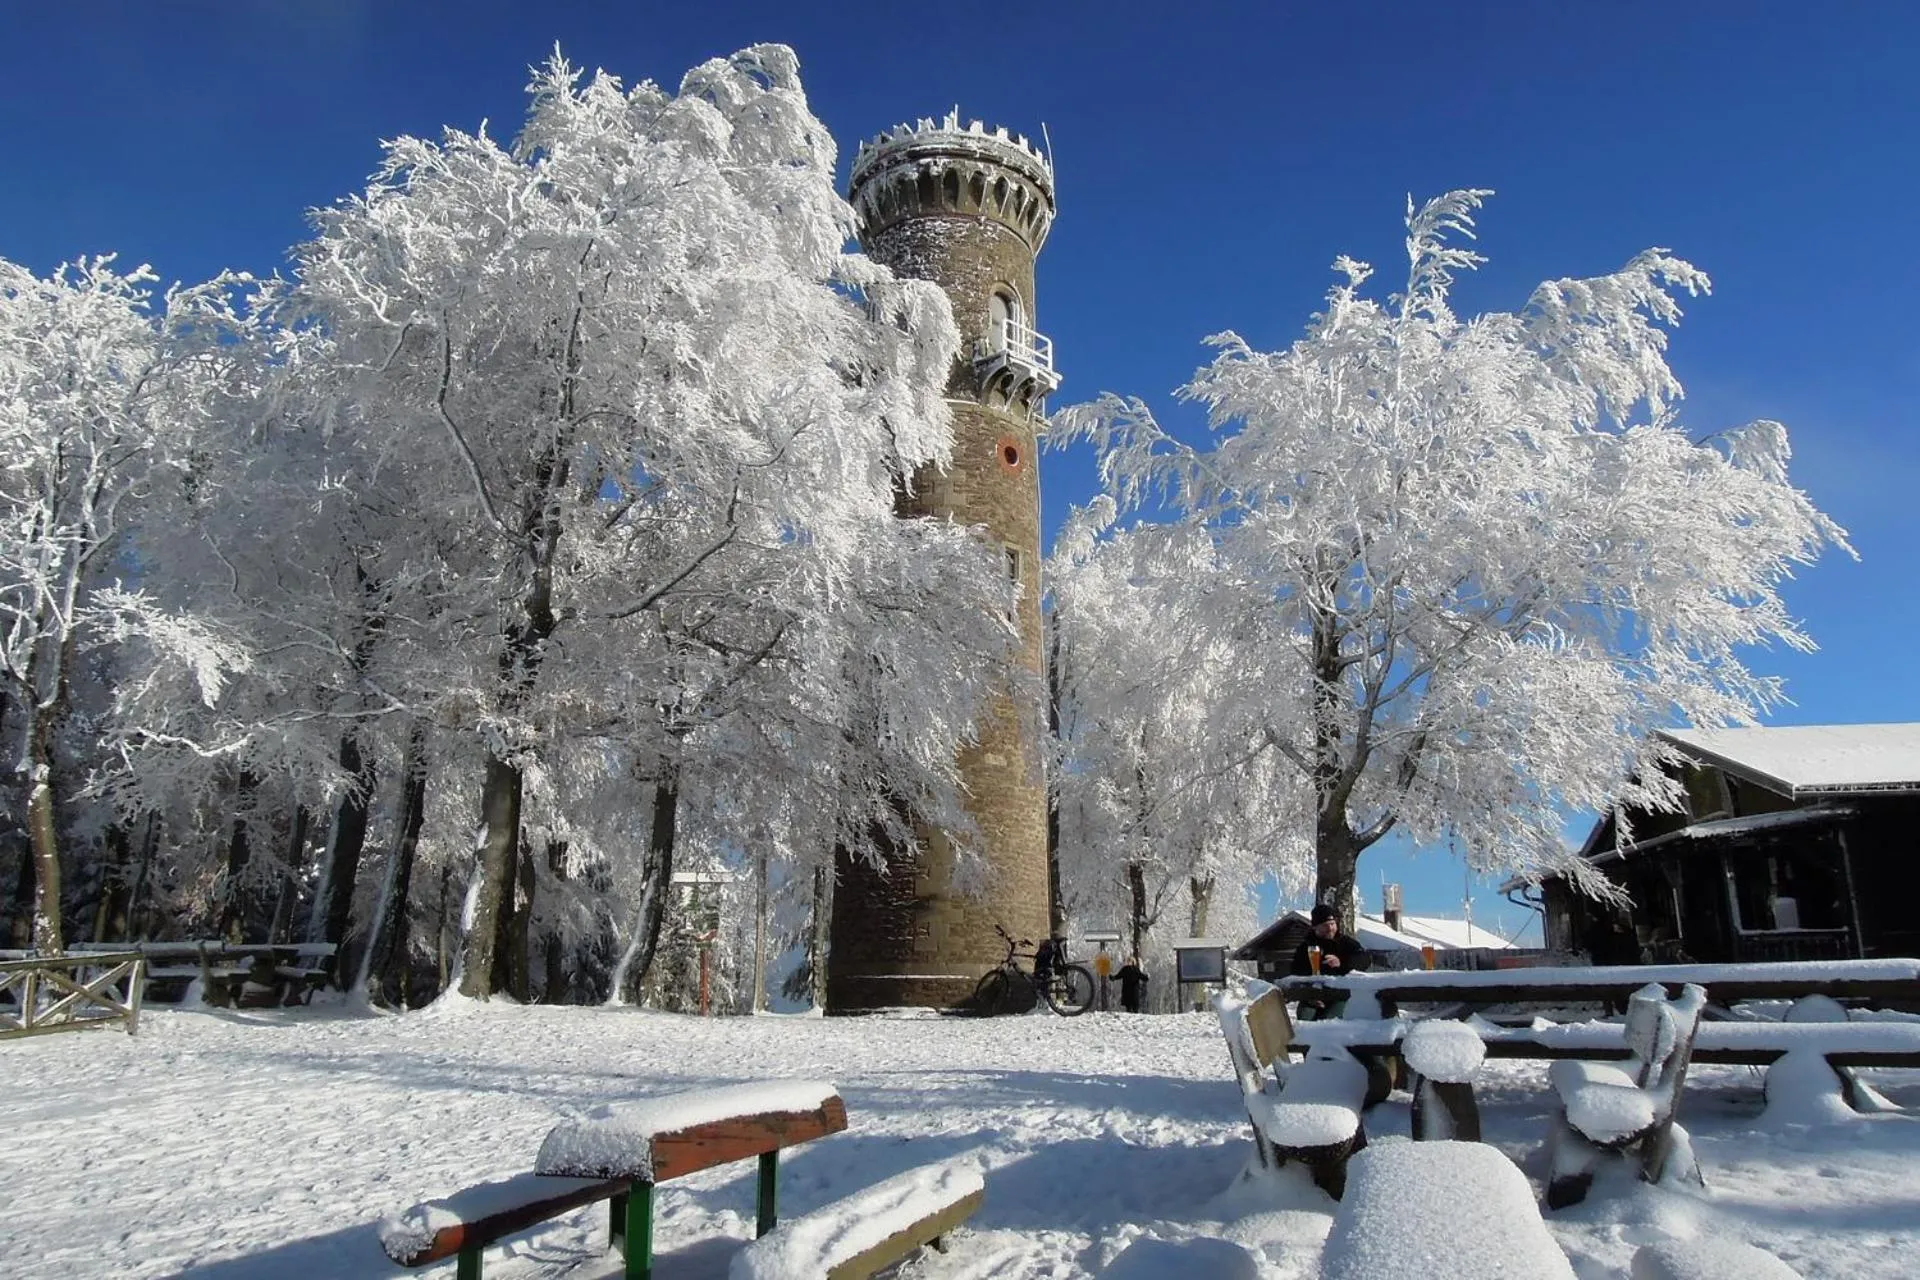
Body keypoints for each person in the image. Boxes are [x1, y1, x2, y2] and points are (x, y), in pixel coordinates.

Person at [1290, 904, 1369, 1019]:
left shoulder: (1345, 943)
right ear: (1315, 927)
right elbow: (1296, 972)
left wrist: (1341, 962)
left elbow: (1365, 959)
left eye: (1332, 924)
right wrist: (1309, 996)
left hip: (1341, 996)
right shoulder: (1306, 947)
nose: (1330, 928)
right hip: (1313, 996)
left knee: (1328, 1019)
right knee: (1305, 1018)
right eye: (1325, 925)